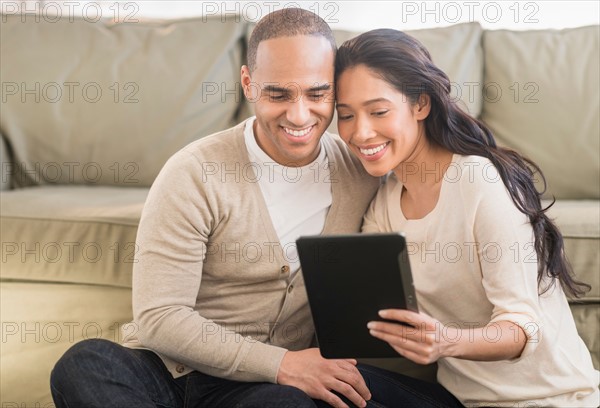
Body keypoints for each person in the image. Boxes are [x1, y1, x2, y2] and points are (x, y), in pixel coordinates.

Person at [50, 8, 383, 408]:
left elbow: (431, 151)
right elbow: (159, 317)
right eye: (278, 94)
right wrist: (283, 364)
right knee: (84, 364)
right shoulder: (194, 172)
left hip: (253, 391)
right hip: (166, 371)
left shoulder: (361, 170)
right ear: (248, 83)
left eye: (317, 93)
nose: (299, 115)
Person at [334, 28, 600, 407]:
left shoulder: (478, 181)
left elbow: (522, 327)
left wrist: (447, 341)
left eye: (378, 111)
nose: (360, 132)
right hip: (460, 400)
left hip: (548, 399)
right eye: (345, 115)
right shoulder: (386, 203)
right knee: (330, 388)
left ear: (420, 105)